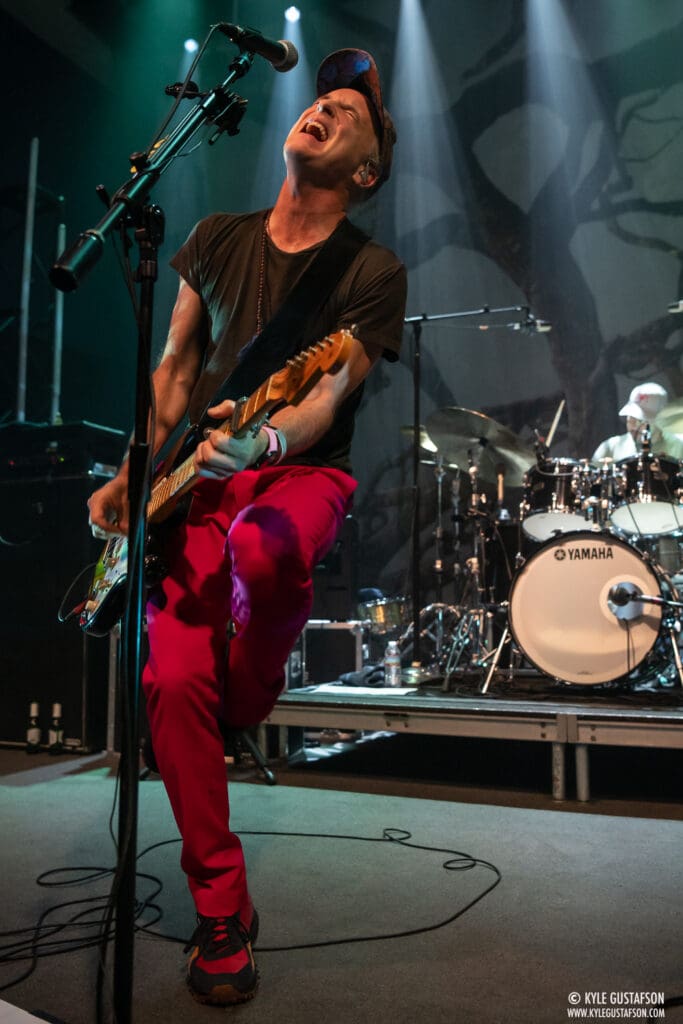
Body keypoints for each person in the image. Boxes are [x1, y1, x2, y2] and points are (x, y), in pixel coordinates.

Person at [87, 48, 407, 1006]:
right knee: (168, 677)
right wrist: (134, 468)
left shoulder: (372, 269)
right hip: (195, 480)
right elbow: (176, 371)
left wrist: (264, 438)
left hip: (299, 473)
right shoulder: (214, 238)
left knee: (264, 553)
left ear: (366, 171)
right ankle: (221, 910)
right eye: (321, 98)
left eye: (348, 111)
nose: (323, 107)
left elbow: (329, 392)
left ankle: (252, 693)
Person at [592, 381, 683, 461]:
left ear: (660, 418)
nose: (633, 425)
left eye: (640, 420)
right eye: (630, 417)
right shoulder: (610, 448)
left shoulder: (679, 447)